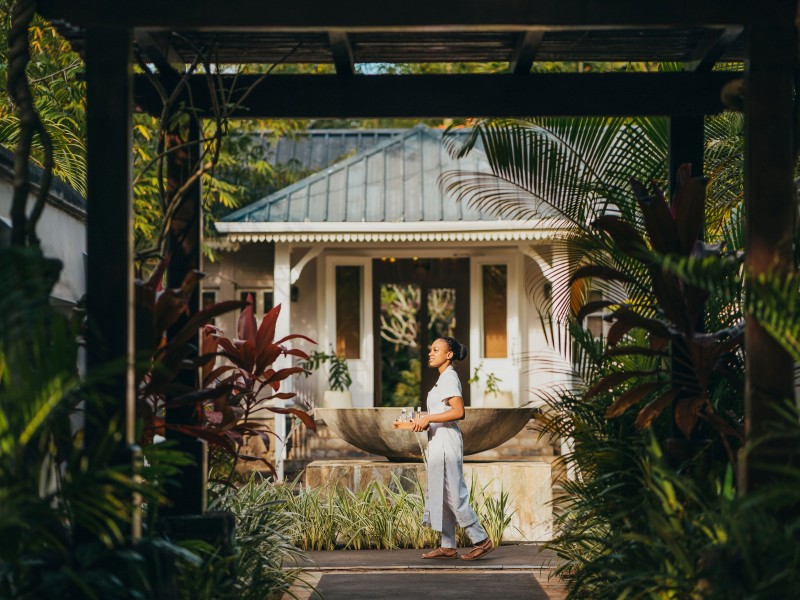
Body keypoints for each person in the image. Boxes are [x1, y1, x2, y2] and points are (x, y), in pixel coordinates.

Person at [413, 336, 495, 561]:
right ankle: (448, 545)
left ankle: (481, 540)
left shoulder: (449, 378)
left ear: (449, 355)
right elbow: (441, 411)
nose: (431, 353)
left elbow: (459, 412)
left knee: (453, 494)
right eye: (431, 349)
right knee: (442, 491)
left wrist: (429, 418)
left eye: (436, 350)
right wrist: (422, 420)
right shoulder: (443, 379)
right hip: (439, 440)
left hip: (447, 441)